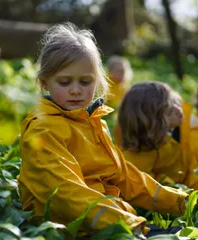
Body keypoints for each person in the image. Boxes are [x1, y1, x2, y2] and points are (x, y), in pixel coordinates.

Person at [18, 23, 188, 236]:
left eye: (85, 82)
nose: (75, 90)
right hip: (68, 230)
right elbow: (65, 192)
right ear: (44, 83)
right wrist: (126, 225)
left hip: (108, 221)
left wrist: (180, 202)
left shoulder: (93, 121)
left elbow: (124, 176)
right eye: (64, 82)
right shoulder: (43, 129)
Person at [117, 81, 198, 190]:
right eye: (169, 108)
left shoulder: (179, 133)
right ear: (152, 119)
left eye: (176, 102)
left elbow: (190, 168)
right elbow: (144, 187)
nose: (179, 109)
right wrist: (176, 191)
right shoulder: (140, 153)